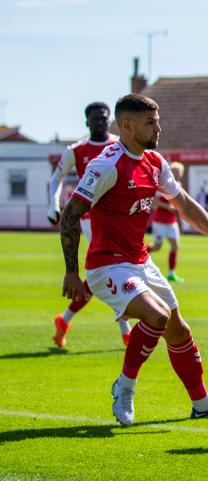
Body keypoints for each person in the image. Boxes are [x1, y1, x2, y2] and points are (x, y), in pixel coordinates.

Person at [60, 94, 208, 426]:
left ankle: (202, 404)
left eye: (158, 120)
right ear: (128, 126)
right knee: (157, 316)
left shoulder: (154, 161)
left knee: (178, 331)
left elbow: (185, 205)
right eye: (150, 122)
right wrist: (72, 272)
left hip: (140, 261)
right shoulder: (106, 165)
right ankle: (124, 387)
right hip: (107, 266)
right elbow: (71, 216)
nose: (158, 127)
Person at [48, 101, 131, 348]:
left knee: (104, 276)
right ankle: (126, 330)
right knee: (116, 269)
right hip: (89, 220)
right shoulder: (77, 150)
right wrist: (53, 206)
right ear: (87, 121)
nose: (100, 121)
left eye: (104, 117)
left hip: (118, 219)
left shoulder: (120, 144)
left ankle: (64, 320)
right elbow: (56, 180)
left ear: (110, 120)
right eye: (95, 118)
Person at [149, 161, 185, 283]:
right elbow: (154, 201)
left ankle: (171, 274)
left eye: (180, 172)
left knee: (175, 245)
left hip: (171, 221)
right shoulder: (164, 184)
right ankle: (137, 253)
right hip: (159, 221)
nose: (179, 174)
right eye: (177, 171)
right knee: (157, 247)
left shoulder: (178, 184)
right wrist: (167, 207)